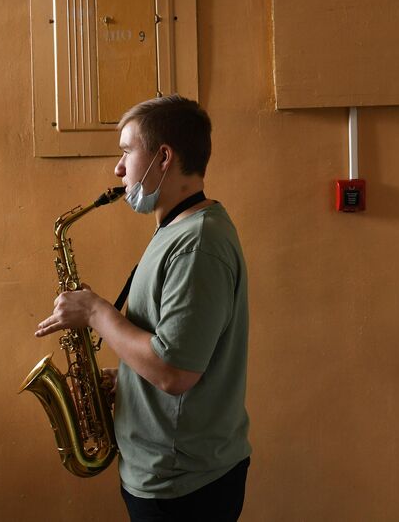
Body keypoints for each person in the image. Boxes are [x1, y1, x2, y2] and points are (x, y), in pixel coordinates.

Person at [35, 95, 251, 521]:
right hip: (165, 475)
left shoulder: (199, 243)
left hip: (183, 484)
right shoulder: (176, 229)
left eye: (126, 151)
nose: (118, 168)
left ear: (164, 157)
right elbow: (171, 349)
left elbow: (175, 372)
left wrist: (97, 313)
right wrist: (129, 379)